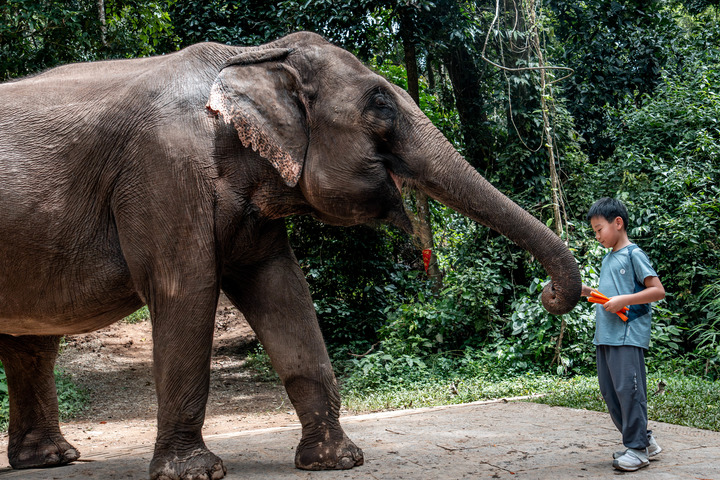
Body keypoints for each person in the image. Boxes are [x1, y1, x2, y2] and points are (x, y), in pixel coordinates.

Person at [581, 197, 666, 472]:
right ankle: (645, 442)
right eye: (594, 231)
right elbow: (609, 297)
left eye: (599, 229)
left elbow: (657, 291)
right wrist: (587, 292)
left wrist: (624, 300)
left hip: (627, 337)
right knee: (611, 392)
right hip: (605, 336)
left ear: (618, 223)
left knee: (629, 392)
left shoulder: (633, 255)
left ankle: (637, 450)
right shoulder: (608, 259)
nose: (597, 236)